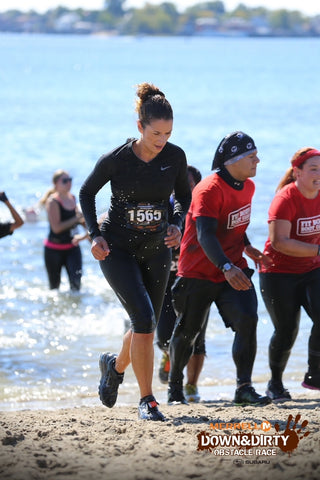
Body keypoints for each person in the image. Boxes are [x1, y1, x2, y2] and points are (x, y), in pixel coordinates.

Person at [79, 82, 191, 421]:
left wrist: (177, 224)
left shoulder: (175, 157)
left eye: (168, 133)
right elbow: (86, 193)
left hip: (157, 248)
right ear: (140, 127)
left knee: (147, 323)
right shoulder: (117, 160)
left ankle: (113, 367)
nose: (162, 141)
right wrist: (94, 235)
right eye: (156, 133)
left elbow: (184, 198)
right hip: (118, 248)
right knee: (143, 320)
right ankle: (147, 401)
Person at [167, 131, 272, 406]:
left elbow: (232, 224)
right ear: (232, 160)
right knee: (187, 332)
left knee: (248, 320)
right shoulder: (208, 189)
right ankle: (175, 389)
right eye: (251, 156)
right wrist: (225, 265)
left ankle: (244, 388)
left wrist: (247, 246)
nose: (257, 161)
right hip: (198, 272)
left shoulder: (247, 186)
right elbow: (205, 234)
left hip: (232, 268)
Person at [259, 147, 320, 402]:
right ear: (297, 172)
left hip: (312, 268)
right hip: (278, 272)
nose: (319, 174)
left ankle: (315, 374)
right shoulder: (285, 199)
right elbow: (279, 242)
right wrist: (317, 249)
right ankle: (275, 384)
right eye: (314, 169)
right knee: (286, 330)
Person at [157, 165, 208, 403]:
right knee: (166, 337)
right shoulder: (161, 207)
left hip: (195, 279)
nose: (183, 191)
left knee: (197, 338)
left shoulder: (204, 210)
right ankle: (169, 354)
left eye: (188, 186)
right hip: (164, 281)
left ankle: (191, 385)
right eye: (178, 186)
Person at [40, 170, 88, 292]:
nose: (68, 183)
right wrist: (76, 218)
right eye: (65, 181)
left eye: (70, 180)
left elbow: (80, 221)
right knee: (54, 288)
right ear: (56, 184)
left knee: (76, 286)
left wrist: (90, 235)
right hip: (54, 250)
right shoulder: (52, 202)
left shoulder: (73, 198)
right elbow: (56, 228)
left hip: (72, 248)